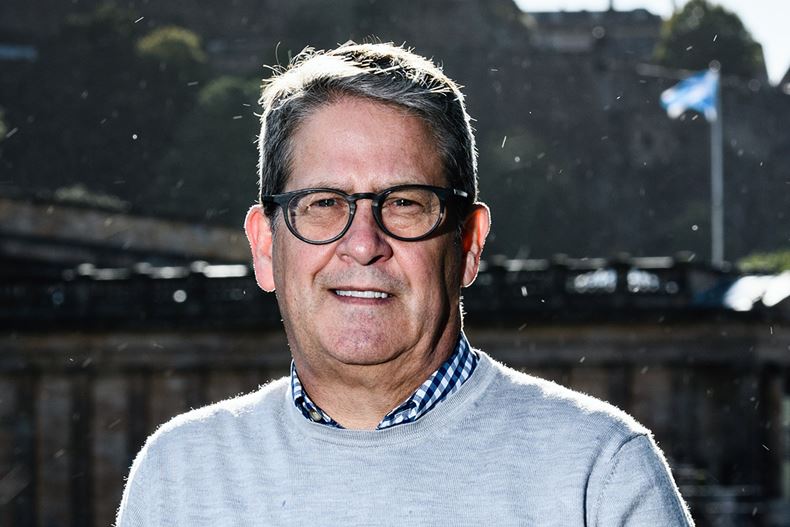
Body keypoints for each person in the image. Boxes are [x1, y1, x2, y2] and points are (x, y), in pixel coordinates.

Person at [116, 42, 694, 526]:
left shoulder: (600, 473)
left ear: (468, 244)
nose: (363, 243)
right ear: (266, 247)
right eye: (323, 203)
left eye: (405, 204)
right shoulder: (178, 476)